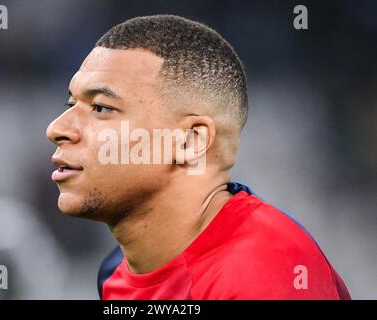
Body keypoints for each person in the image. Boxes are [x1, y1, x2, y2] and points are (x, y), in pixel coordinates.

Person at [46, 15, 350, 300]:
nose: (56, 128)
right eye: (71, 103)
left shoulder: (261, 276)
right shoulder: (116, 271)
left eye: (100, 107)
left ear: (191, 142)